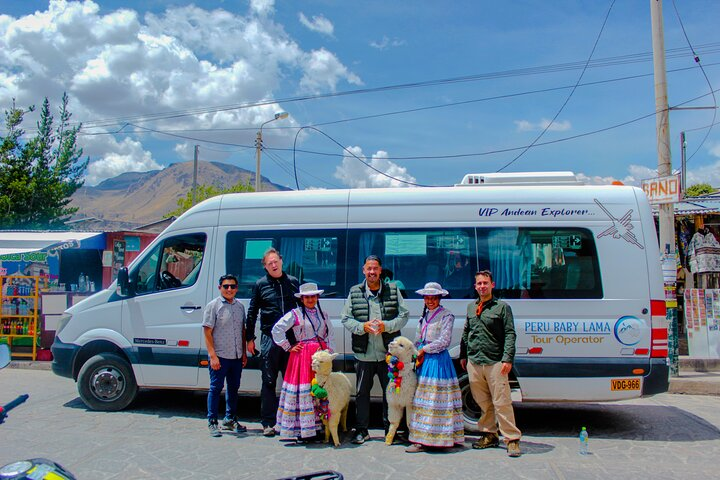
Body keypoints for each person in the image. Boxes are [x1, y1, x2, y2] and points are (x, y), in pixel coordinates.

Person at [341, 254, 409, 444]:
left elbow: (404, 315)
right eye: (368, 268)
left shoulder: (393, 290)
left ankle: (391, 429)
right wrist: (362, 327)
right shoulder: (355, 292)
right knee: (362, 393)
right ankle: (362, 430)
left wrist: (386, 326)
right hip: (364, 354)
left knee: (391, 393)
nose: (372, 272)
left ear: (380, 271)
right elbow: (345, 318)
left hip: (389, 355)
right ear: (364, 270)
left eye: (375, 269)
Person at [460, 270, 522, 457]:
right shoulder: (471, 307)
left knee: (502, 402)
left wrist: (507, 358)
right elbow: (466, 332)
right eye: (479, 283)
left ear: (492, 285)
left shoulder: (502, 307)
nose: (482, 286)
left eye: (485, 283)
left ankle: (512, 439)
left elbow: (510, 334)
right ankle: (489, 434)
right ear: (475, 286)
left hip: (495, 361)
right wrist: (464, 355)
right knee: (483, 402)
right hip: (475, 361)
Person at [246, 247, 300, 437]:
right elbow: (252, 313)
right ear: (265, 267)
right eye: (270, 263)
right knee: (268, 381)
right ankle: (268, 422)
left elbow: (302, 309)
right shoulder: (260, 285)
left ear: (281, 261)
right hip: (269, 338)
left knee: (291, 382)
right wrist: (249, 338)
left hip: (291, 339)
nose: (274, 265)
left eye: (276, 261)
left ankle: (290, 421)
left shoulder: (293, 282)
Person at [271, 282, 336, 441]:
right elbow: (277, 329)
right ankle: (302, 429)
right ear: (302, 299)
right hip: (302, 357)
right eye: (307, 297)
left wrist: (329, 352)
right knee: (305, 390)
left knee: (319, 389)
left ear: (317, 297)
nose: (310, 299)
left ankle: (317, 426)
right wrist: (288, 346)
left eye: (313, 296)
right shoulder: (295, 314)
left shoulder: (323, 314)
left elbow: (330, 333)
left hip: (319, 357)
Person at [405, 282, 464, 453]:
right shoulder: (423, 317)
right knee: (423, 400)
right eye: (427, 298)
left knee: (436, 399)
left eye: (433, 298)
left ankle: (440, 438)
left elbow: (444, 341)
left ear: (439, 298)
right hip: (425, 362)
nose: (430, 301)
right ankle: (423, 438)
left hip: (438, 362)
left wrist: (424, 349)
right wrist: (414, 352)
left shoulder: (447, 316)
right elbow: (418, 339)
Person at [202, 274, 247, 437]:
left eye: (232, 286)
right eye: (226, 286)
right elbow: (207, 331)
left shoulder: (240, 307)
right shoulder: (213, 306)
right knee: (215, 388)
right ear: (219, 287)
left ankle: (230, 418)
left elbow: (242, 330)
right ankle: (212, 421)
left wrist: (243, 353)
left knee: (234, 388)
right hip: (219, 356)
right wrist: (212, 356)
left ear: (237, 288)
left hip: (236, 356)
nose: (229, 289)